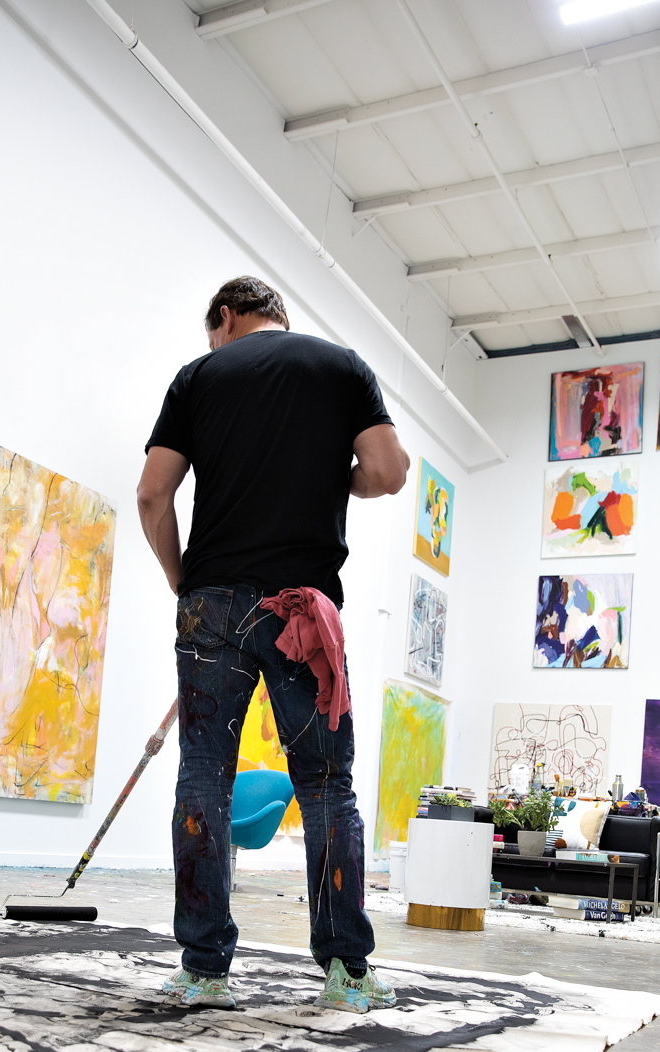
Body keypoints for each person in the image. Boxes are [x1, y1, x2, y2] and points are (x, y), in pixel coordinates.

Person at [137, 275, 409, 1013]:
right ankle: (347, 973)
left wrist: (182, 582)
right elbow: (388, 471)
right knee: (326, 788)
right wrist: (336, 479)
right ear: (279, 317)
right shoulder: (342, 367)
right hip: (301, 611)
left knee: (203, 777)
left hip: (211, 605)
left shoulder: (198, 377)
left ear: (224, 319)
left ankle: (203, 971)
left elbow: (152, 495)